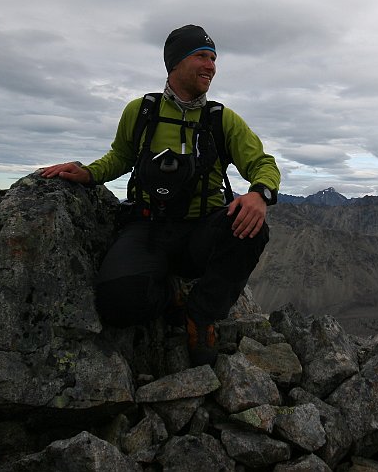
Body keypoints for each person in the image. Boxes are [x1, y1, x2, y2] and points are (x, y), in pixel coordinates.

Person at [41, 25, 280, 366]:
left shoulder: (221, 120)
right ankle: (171, 295)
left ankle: (201, 316)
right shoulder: (141, 112)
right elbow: (121, 157)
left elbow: (262, 163)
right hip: (147, 228)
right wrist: (89, 173)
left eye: (213, 58)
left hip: (202, 230)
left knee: (252, 228)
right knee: (117, 303)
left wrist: (259, 194)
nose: (210, 65)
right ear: (174, 63)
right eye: (201, 56)